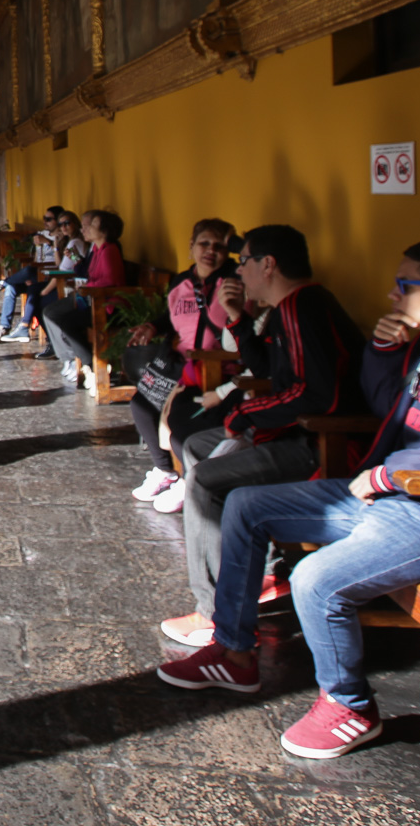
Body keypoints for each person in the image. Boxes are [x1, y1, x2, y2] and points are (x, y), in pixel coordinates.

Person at [158, 240, 420, 760]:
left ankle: (350, 705)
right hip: (406, 498)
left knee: (316, 579)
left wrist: (389, 473)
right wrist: (384, 351)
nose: (390, 292)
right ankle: (234, 652)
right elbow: (385, 409)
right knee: (247, 505)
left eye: (405, 285)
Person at [159, 223, 363, 649]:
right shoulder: (290, 309)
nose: (239, 270)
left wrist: (248, 415)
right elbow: (269, 370)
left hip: (322, 444)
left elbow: (317, 396)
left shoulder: (306, 307)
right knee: (196, 445)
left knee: (205, 480)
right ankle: (259, 565)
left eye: (245, 261)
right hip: (296, 431)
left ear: (268, 265)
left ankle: (213, 612)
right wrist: (239, 318)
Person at [120, 218, 237, 502]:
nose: (211, 251)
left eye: (219, 246)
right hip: (179, 361)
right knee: (141, 405)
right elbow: (174, 318)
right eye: (204, 244)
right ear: (192, 247)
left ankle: (189, 478)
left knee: (182, 417)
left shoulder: (234, 282)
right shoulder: (181, 282)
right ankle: (164, 470)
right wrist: (155, 327)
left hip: (217, 368)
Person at [38, 209, 128, 389]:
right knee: (56, 314)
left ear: (104, 230)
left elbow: (109, 281)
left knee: (68, 322)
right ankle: (84, 362)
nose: (85, 229)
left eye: (92, 225)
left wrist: (87, 287)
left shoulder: (109, 250)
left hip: (107, 306)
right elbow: (89, 273)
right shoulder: (97, 249)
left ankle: (90, 364)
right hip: (94, 300)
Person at [0, 205, 65, 343]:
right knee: (12, 288)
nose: (45, 222)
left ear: (58, 221)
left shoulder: (63, 238)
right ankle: (4, 327)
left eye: (49, 219)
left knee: (27, 271)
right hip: (37, 275)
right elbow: (36, 258)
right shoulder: (41, 234)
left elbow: (64, 263)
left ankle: (3, 283)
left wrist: (50, 243)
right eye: (44, 218)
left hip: (50, 278)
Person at [28, 211, 91, 360]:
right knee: (33, 291)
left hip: (71, 287)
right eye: (61, 224)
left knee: (42, 302)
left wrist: (45, 291)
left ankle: (59, 349)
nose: (63, 227)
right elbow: (65, 265)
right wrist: (56, 245)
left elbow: (64, 271)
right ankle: (46, 339)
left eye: (67, 223)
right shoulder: (70, 242)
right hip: (71, 284)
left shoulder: (75, 242)